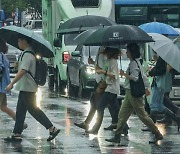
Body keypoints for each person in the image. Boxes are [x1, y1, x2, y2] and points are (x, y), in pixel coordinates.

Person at [4, 34, 60, 142]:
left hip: (28, 88)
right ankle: (17, 134)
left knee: (34, 110)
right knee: (20, 111)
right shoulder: (28, 53)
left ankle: (52, 128)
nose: (18, 43)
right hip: (25, 87)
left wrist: (12, 83)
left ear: (25, 41)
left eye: (19, 41)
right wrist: (17, 65)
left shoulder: (28, 54)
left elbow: (23, 71)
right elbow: (23, 68)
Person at [105, 43, 163, 144]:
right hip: (129, 93)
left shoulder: (134, 63)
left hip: (133, 93)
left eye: (127, 51)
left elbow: (135, 78)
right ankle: (117, 136)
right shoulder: (135, 62)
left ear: (131, 52)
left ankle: (157, 133)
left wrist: (124, 75)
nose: (126, 53)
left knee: (143, 116)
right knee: (122, 114)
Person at [74, 47, 129, 133]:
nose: (103, 53)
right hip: (107, 86)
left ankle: (95, 129)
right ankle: (124, 127)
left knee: (100, 107)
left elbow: (114, 75)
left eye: (105, 52)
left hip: (111, 88)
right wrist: (95, 65)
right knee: (115, 109)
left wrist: (103, 72)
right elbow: (103, 69)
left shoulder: (113, 62)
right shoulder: (109, 61)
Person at [0, 38, 28, 129]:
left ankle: (21, 123)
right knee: (3, 107)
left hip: (1, 86)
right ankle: (21, 123)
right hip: (3, 86)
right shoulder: (2, 55)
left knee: (3, 106)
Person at [147, 55, 180, 130]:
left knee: (153, 105)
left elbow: (160, 70)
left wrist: (151, 71)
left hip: (159, 83)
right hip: (160, 83)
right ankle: (177, 119)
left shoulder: (163, 57)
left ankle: (152, 127)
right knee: (159, 105)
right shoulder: (166, 57)